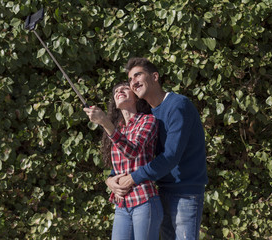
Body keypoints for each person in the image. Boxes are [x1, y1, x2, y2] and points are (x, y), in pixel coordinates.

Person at [106, 58, 208, 239]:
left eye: (138, 75)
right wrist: (111, 179)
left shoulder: (178, 105)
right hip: (160, 190)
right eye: (130, 79)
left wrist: (132, 178)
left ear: (154, 77)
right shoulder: (147, 115)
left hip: (185, 192)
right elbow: (134, 154)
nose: (133, 82)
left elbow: (170, 156)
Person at [83, 82, 163, 240]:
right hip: (122, 204)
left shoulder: (148, 121)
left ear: (135, 97)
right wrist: (109, 181)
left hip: (144, 199)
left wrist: (106, 123)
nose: (119, 90)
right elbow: (117, 168)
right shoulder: (118, 130)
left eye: (125, 88)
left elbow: (133, 151)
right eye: (116, 91)